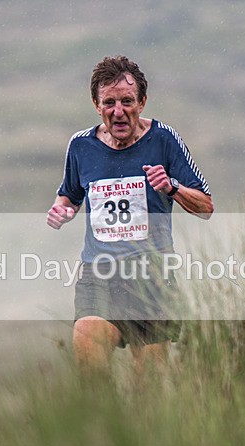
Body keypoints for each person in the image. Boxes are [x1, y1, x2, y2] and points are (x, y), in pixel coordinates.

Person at [46, 55, 213, 378]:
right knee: (89, 367)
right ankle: (100, 428)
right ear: (96, 104)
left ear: (142, 102)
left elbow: (205, 206)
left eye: (126, 101)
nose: (118, 111)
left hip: (153, 277)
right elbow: (69, 193)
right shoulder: (81, 146)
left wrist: (172, 186)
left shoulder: (163, 140)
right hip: (100, 276)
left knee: (148, 388)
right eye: (109, 102)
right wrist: (62, 208)